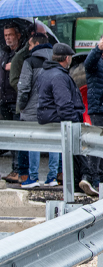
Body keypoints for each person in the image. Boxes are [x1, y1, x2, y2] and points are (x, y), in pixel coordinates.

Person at [32, 43, 81, 193]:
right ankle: (74, 184)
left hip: (49, 119)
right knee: (74, 158)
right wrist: (75, 121)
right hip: (60, 121)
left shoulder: (46, 72)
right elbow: (64, 105)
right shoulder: (59, 75)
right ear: (67, 58)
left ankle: (69, 182)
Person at [79, 33, 103, 196]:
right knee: (96, 144)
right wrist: (97, 50)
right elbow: (88, 63)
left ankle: (101, 178)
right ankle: (91, 177)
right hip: (99, 109)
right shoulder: (96, 62)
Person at [16, 32, 55, 188]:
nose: (29, 48)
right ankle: (52, 177)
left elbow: (23, 87)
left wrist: (22, 106)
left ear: (37, 45)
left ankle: (33, 177)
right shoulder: (56, 59)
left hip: (33, 110)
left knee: (34, 142)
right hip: (53, 109)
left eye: (30, 45)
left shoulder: (30, 61)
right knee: (54, 142)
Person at [1, 23, 21, 183]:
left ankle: (18, 170)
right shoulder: (4, 53)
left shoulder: (20, 55)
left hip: (15, 100)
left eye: (10, 35)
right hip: (4, 100)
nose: (8, 38)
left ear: (18, 35)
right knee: (9, 137)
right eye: (6, 35)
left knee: (17, 137)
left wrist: (14, 66)